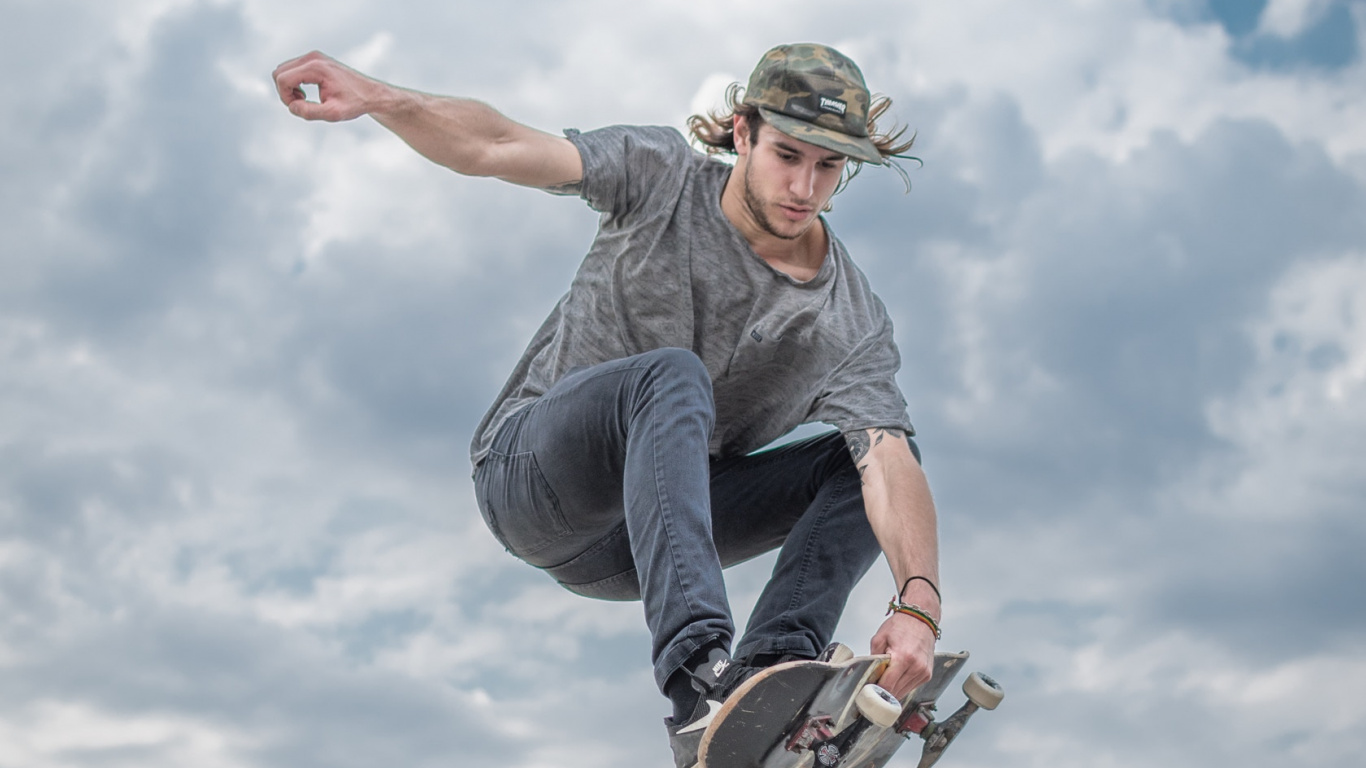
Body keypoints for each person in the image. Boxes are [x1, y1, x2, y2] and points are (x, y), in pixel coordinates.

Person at [273, 42, 942, 768]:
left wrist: (918, 606)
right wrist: (384, 100)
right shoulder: (658, 174)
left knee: (858, 460)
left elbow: (888, 459)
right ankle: (699, 685)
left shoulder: (849, 317)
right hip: (531, 480)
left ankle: (768, 680)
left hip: (643, 544)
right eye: (788, 155)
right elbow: (500, 144)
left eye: (828, 167)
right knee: (670, 377)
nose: (804, 187)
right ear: (743, 132)